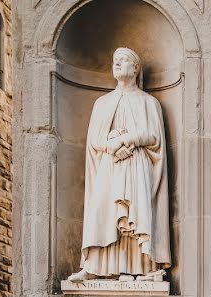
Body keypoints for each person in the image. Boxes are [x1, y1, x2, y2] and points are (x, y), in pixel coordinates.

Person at [68, 47, 171, 283]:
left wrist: (127, 140)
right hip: (110, 165)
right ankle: (95, 265)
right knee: (103, 212)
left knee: (137, 213)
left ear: (135, 68)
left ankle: (140, 269)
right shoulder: (102, 103)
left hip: (137, 165)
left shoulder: (149, 102)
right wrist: (111, 145)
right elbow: (94, 140)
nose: (117, 63)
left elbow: (154, 137)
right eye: (115, 60)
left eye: (123, 60)